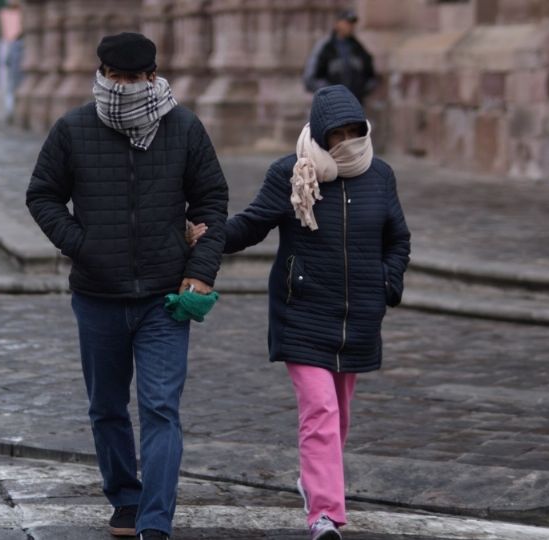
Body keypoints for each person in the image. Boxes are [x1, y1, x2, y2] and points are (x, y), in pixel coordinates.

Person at [26, 32, 229, 540]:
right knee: (107, 408)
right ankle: (126, 498)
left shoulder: (183, 127)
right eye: (117, 78)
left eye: (135, 79)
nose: (126, 88)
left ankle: (156, 522)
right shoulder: (73, 128)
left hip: (165, 298)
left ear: (153, 77)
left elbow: (211, 203)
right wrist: (83, 243)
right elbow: (43, 195)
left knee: (161, 408)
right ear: (102, 75)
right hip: (97, 295)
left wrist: (201, 270)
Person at [187, 85, 410, 540]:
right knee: (321, 410)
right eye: (338, 132)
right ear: (322, 133)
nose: (347, 140)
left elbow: (398, 238)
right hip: (303, 312)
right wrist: (208, 237)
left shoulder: (380, 175)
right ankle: (324, 514)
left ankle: (314, 480)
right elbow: (252, 225)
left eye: (355, 130)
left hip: (359, 318)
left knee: (339, 417)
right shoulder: (291, 173)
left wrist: (387, 283)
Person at [303, 9, 377, 104]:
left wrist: (361, 91)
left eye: (352, 24)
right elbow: (310, 79)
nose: (350, 26)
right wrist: (330, 92)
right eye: (347, 22)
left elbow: (371, 76)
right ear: (337, 23)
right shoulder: (325, 47)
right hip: (331, 106)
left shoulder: (359, 48)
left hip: (354, 105)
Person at [0, 0, 23, 122]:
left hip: (15, 70)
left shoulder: (14, 44)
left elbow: (7, 60)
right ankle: (13, 112)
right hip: (21, 71)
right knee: (14, 90)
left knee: (11, 90)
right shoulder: (24, 45)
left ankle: (12, 112)